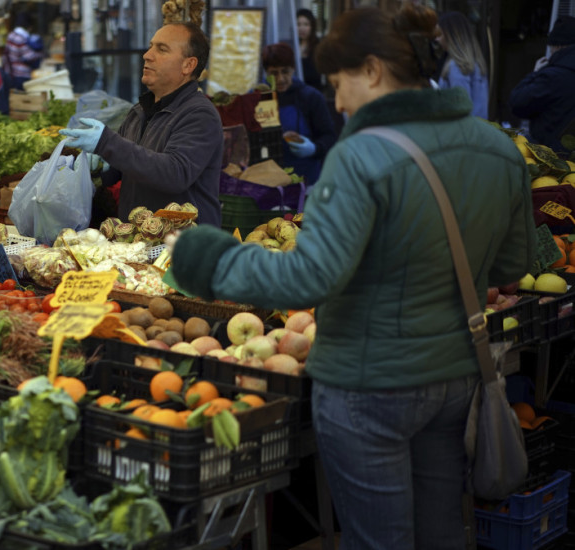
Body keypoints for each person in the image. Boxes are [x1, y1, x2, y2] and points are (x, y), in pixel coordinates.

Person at [170, 5, 534, 549]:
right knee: (441, 533)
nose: (337, 102)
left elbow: (308, 278)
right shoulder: (498, 149)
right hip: (455, 378)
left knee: (378, 540)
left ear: (372, 69)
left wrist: (209, 258)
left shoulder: (362, 155)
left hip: (368, 386)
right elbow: (510, 267)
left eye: (340, 84)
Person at [60, 22, 222, 227]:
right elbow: (124, 167)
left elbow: (175, 174)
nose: (147, 55)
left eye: (162, 49)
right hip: (137, 239)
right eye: (150, 46)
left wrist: (107, 143)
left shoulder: (200, 114)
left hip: (182, 242)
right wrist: (97, 166)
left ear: (188, 65)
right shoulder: (139, 111)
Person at [263, 42, 336, 185]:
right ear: (266, 73)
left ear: (293, 69)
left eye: (285, 71)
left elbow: (329, 136)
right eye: (274, 73)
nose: (280, 79)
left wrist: (314, 148)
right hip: (267, 182)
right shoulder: (256, 98)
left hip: (306, 181)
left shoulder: (311, 98)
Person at [509, 16, 575, 151]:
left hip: (551, 156)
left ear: (558, 46)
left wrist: (535, 73)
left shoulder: (553, 77)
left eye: (551, 47)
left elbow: (517, 102)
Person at [436, 12, 488, 118]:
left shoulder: (457, 66)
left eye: (440, 34)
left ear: (451, 36)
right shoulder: (475, 64)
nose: (437, 39)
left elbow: (461, 110)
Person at [3, 12, 44, 90]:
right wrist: (40, 54)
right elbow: (29, 56)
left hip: (11, 72)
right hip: (21, 74)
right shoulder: (20, 38)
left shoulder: (11, 35)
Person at [297, 9, 323, 91]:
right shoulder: (293, 45)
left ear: (312, 26)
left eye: (306, 24)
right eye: (298, 24)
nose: (302, 28)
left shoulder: (318, 46)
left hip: (312, 91)